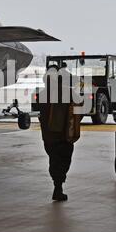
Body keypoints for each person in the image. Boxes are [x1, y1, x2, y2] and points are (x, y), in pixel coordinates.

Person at [38, 65, 81, 201]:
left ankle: (57, 186)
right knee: (62, 162)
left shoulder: (42, 94)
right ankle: (58, 187)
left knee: (54, 161)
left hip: (48, 138)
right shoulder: (67, 92)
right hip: (63, 137)